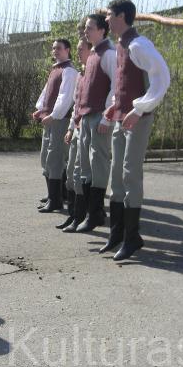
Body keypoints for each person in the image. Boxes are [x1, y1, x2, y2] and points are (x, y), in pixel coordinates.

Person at [102, 0, 170, 260]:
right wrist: (114, 106)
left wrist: (139, 108)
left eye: (109, 15)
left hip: (136, 120)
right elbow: (121, 84)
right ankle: (117, 234)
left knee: (130, 174)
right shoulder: (120, 45)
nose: (106, 19)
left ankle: (132, 237)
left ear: (121, 16)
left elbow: (162, 77)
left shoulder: (139, 45)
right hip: (121, 117)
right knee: (116, 175)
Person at [63, 13, 116, 233]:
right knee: (85, 165)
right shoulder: (93, 54)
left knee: (98, 164)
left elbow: (116, 88)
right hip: (85, 117)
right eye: (86, 28)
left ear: (102, 30)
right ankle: (85, 214)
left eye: (90, 28)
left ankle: (95, 214)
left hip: (99, 117)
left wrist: (107, 117)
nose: (86, 31)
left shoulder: (109, 54)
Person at [32, 39, 77, 213]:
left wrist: (53, 115)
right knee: (46, 157)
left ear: (68, 50)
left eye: (58, 48)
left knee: (55, 158)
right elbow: (47, 92)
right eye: (53, 48)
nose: (55, 51)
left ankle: (56, 199)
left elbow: (65, 97)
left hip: (60, 120)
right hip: (50, 119)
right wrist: (40, 109)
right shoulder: (55, 69)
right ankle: (55, 194)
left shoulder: (69, 71)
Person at [57, 38, 91, 230]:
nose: (77, 52)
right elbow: (77, 106)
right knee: (70, 173)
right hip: (76, 128)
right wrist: (70, 127)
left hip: (88, 129)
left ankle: (81, 215)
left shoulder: (95, 72)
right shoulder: (80, 75)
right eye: (76, 49)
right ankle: (72, 215)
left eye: (81, 49)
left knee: (80, 174)